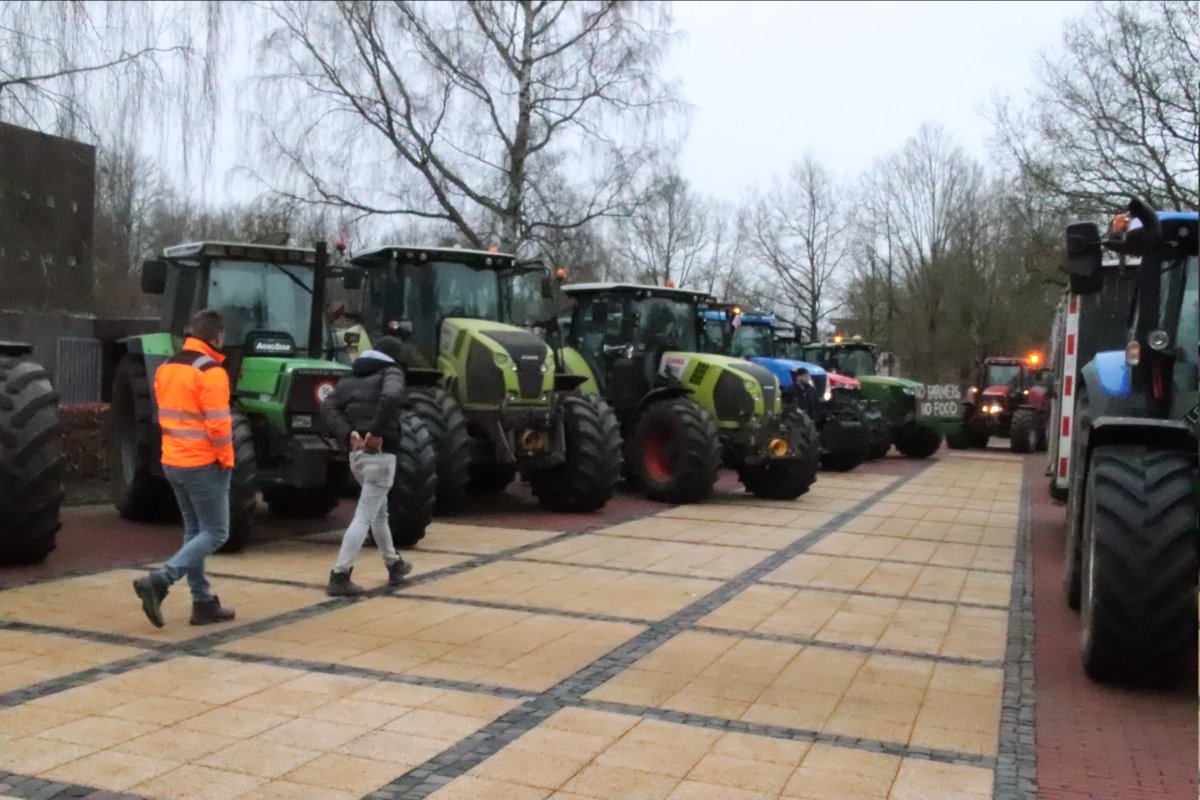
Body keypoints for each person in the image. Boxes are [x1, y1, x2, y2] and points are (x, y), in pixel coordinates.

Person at [132, 309, 237, 628]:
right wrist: (226, 460)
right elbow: (219, 426)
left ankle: (202, 602)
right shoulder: (211, 372)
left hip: (173, 461)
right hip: (203, 462)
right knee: (217, 532)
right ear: (216, 337)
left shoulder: (166, 367)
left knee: (195, 532)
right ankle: (160, 580)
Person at [319, 336, 415, 596]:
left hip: (357, 456)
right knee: (363, 517)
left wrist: (348, 432)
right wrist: (375, 431)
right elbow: (393, 396)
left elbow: (328, 407)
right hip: (381, 455)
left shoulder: (351, 377)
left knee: (379, 512)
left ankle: (394, 563)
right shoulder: (392, 372)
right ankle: (340, 574)